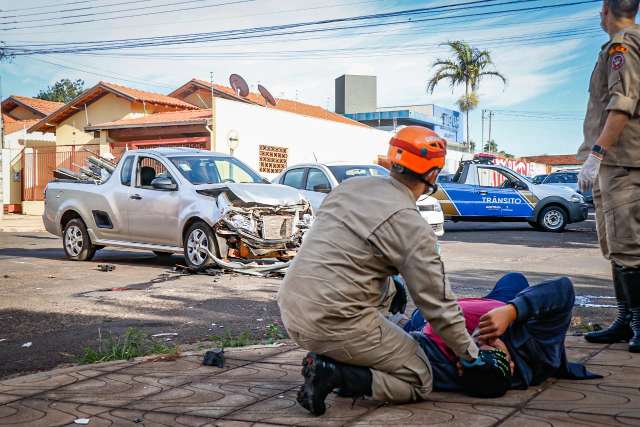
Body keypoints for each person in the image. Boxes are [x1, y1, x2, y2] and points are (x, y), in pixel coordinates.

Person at [277, 126, 483, 416]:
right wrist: (470, 355)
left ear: (392, 159)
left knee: (391, 286)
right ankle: (337, 374)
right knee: (419, 377)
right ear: (433, 174)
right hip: (330, 320)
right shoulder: (411, 224)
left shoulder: (350, 187)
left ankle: (334, 359)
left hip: (292, 306)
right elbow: (436, 303)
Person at [406, 273, 602, 396]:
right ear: (511, 364)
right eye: (494, 345)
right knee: (515, 279)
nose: (484, 337)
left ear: (459, 366)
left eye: (475, 346)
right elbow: (562, 288)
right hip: (500, 303)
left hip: (422, 319)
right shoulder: (540, 351)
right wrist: (512, 312)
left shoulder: (438, 368)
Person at [577, 0, 640, 353]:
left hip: (622, 162)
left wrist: (596, 155)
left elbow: (621, 104)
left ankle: (638, 322)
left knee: (628, 246)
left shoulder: (622, 46)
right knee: (615, 244)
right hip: (616, 163)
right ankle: (626, 319)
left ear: (606, 9)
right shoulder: (624, 45)